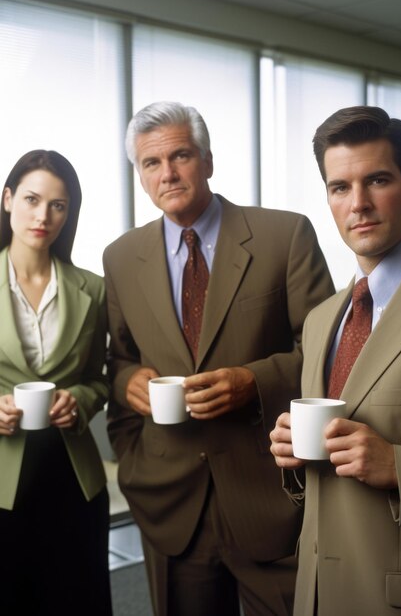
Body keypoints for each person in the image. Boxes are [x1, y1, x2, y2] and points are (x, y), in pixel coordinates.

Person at [103, 100, 334, 616]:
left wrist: (254, 382)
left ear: (207, 160)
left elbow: (329, 353)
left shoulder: (284, 236)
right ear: (139, 175)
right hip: (169, 498)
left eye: (181, 155)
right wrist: (127, 384)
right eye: (151, 163)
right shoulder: (119, 257)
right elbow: (118, 359)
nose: (168, 173)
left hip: (270, 496)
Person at [270, 105, 401, 616]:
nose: (359, 204)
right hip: (317, 592)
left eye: (377, 180)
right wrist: (294, 454)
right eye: (340, 187)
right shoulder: (322, 319)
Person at [0, 150, 113, 616]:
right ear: (7, 200)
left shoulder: (94, 288)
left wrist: (81, 400)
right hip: (3, 479)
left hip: (74, 476)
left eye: (58, 205)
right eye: (31, 199)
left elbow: (102, 378)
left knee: (77, 599)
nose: (43, 215)